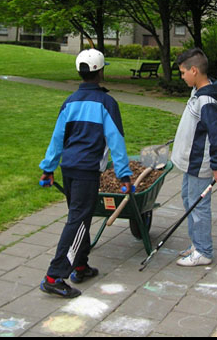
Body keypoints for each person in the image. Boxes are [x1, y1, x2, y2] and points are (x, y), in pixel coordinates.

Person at [39, 49, 133, 298]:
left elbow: (57, 138)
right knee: (78, 220)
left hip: (69, 168)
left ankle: (80, 266)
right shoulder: (107, 103)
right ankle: (54, 276)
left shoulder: (69, 102)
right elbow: (116, 141)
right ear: (100, 72)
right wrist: (124, 175)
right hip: (86, 170)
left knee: (79, 216)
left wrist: (48, 169)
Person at [171, 48, 217, 267]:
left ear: (194, 70)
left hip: (199, 163)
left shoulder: (207, 100)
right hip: (190, 162)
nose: (182, 76)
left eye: (183, 72)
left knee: (198, 205)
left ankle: (204, 251)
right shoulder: (198, 91)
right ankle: (196, 244)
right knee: (189, 200)